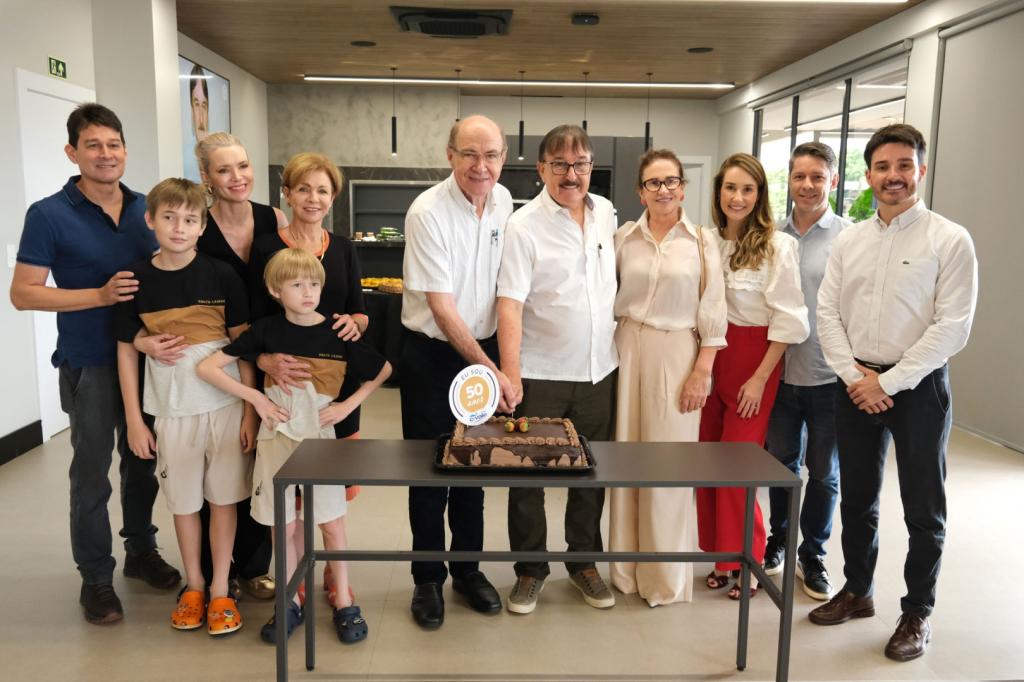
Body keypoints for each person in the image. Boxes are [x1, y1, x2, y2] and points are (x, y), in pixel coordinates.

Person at [810, 124, 977, 663]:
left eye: (904, 165)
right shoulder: (850, 240)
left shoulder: (949, 239)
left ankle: (917, 612)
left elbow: (953, 327)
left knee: (923, 507)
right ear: (869, 175)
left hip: (919, 389)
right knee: (857, 498)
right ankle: (858, 590)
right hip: (855, 385)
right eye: (882, 167)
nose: (893, 176)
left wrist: (887, 382)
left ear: (921, 170)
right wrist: (854, 376)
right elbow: (827, 313)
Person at [10, 103, 181, 625]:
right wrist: (99, 297)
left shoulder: (147, 209)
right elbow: (23, 293)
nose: (105, 154)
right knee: (92, 476)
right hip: (90, 363)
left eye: (113, 144)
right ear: (72, 152)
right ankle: (96, 578)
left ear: (125, 150)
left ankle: (141, 551)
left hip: (148, 360)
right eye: (93, 145)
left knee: (143, 463)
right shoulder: (48, 214)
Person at [198, 248, 391, 645]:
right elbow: (207, 367)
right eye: (297, 284)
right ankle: (289, 602)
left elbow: (382, 369)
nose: (308, 292)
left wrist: (346, 406)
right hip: (276, 443)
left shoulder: (337, 331)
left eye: (314, 284)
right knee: (281, 527)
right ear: (275, 290)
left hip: (321, 444)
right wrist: (256, 398)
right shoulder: (265, 331)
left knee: (332, 524)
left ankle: (343, 600)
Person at [136, 132, 287, 601]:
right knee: (203, 482)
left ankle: (252, 567)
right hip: (218, 363)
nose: (237, 177)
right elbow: (143, 313)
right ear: (207, 177)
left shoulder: (273, 218)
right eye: (224, 169)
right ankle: (205, 577)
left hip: (264, 354)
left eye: (243, 165)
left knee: (250, 468)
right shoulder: (196, 226)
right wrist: (141, 339)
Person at [115, 178, 257, 635]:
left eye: (190, 219)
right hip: (171, 411)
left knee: (223, 500)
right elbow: (126, 350)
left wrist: (250, 411)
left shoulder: (222, 274)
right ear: (150, 220)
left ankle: (221, 588)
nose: (179, 228)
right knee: (183, 502)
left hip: (226, 406)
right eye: (169, 217)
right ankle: (193, 585)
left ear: (202, 227)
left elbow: (244, 346)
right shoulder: (135, 278)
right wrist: (135, 420)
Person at [497, 124, 618, 614]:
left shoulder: (606, 212)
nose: (572, 175)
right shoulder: (523, 225)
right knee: (528, 477)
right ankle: (530, 570)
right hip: (541, 373)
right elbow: (509, 304)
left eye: (581, 164)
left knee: (590, 475)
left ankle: (584, 563)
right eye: (561, 165)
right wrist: (510, 374)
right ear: (542, 168)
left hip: (599, 373)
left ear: (591, 167)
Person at [400, 114, 514, 629]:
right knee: (430, 472)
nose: (480, 165)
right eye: (469, 153)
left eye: (490, 154)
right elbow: (442, 309)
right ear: (449, 155)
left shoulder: (505, 202)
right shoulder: (427, 212)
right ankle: (427, 577)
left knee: (475, 468)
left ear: (503, 157)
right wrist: (493, 371)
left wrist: (501, 362)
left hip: (482, 347)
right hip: (433, 354)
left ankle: (468, 569)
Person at [609, 149, 727, 607]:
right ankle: (624, 571)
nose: (663, 190)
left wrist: (702, 371)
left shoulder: (701, 242)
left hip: (678, 351)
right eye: (653, 183)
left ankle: (663, 577)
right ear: (640, 191)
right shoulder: (623, 238)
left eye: (670, 181)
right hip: (626, 346)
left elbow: (714, 310)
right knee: (626, 462)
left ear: (683, 187)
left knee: (667, 465)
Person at [698, 153, 809, 600]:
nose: (738, 197)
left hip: (753, 362)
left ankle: (750, 559)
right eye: (730, 188)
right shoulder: (707, 241)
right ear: (718, 191)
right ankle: (721, 558)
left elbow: (788, 320)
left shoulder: (778, 246)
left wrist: (760, 378)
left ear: (760, 195)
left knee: (737, 468)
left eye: (748, 189)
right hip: (709, 357)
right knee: (707, 463)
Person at [762, 142, 850, 602]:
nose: (808, 185)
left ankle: (813, 553)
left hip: (828, 377)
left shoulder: (849, 237)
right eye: (800, 176)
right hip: (778, 375)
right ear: (790, 181)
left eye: (817, 177)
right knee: (780, 466)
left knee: (824, 472)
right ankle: (778, 539)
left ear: (832, 180)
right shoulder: (770, 234)